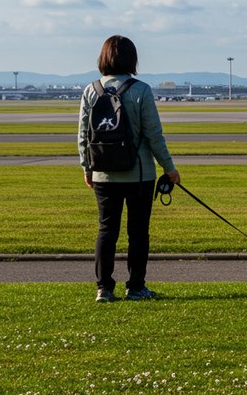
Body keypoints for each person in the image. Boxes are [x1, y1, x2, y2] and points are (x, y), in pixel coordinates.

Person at [77, 35, 179, 303]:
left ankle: (104, 288)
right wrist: (169, 169)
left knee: (106, 230)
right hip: (139, 174)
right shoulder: (141, 90)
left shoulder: (91, 90)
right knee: (137, 232)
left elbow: (82, 136)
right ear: (132, 59)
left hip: (103, 173)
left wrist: (87, 169)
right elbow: (154, 135)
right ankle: (135, 287)